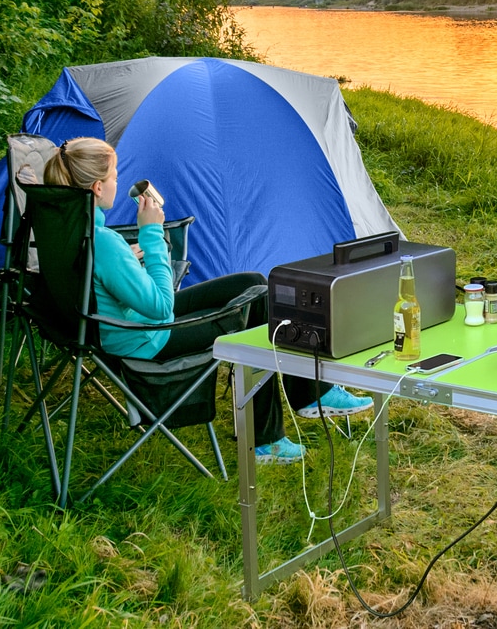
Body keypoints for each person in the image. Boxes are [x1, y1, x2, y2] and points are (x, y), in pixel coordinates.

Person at [41, 137, 372, 465]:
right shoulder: (106, 244)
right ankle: (274, 432)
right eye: (114, 176)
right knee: (258, 302)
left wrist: (128, 260)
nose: (117, 181)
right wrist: (152, 234)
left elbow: (103, 278)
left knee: (253, 282)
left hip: (120, 327)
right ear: (98, 188)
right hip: (146, 338)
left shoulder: (70, 229)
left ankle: (305, 400)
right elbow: (160, 307)